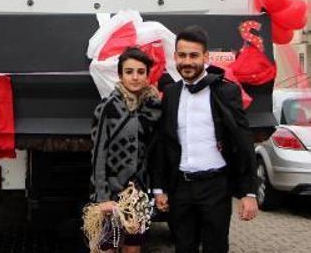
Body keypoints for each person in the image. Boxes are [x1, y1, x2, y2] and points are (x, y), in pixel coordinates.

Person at [151, 25, 259, 253]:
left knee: (216, 247)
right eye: (182, 55)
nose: (187, 61)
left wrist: (248, 192)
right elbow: (163, 143)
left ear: (205, 57)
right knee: (183, 247)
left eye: (193, 55)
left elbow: (243, 142)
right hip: (181, 187)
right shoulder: (170, 94)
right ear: (175, 57)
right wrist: (159, 187)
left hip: (215, 187)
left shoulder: (225, 91)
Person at [88, 47, 162, 253]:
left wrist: (155, 190)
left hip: (138, 193)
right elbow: (98, 154)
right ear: (120, 75)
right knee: (107, 247)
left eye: (140, 71)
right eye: (129, 72)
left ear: (148, 75)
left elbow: (156, 154)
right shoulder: (108, 107)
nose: (135, 77)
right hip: (112, 192)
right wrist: (102, 198)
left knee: (133, 247)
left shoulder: (153, 108)